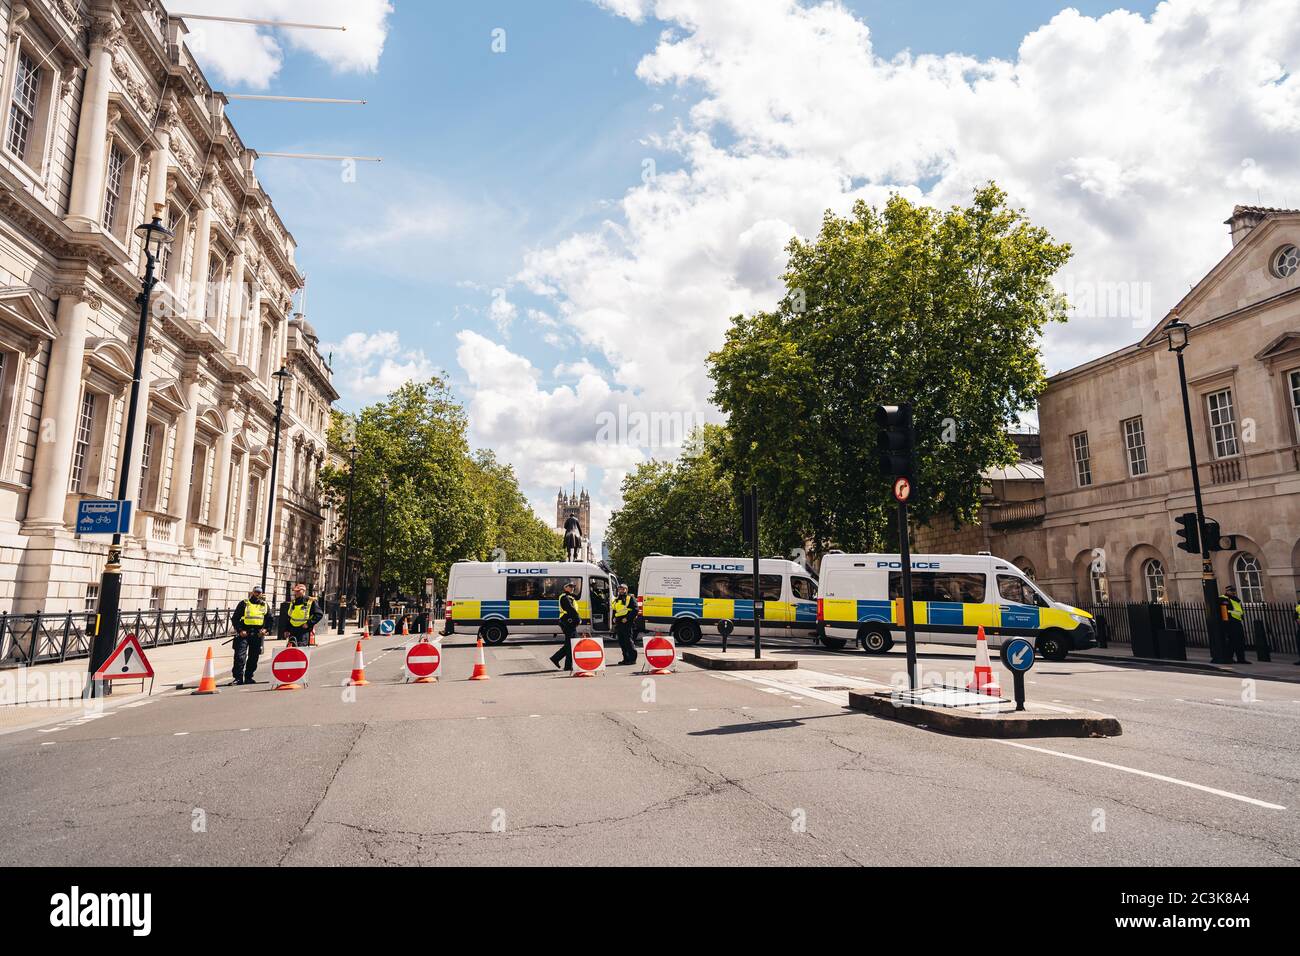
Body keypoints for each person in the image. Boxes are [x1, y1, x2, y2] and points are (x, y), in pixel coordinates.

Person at [230, 586, 270, 685]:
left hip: (257, 635)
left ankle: (248, 677)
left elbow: (270, 619)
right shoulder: (244, 603)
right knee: (239, 656)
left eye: (259, 592)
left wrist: (265, 629)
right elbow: (235, 618)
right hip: (244, 634)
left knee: (253, 657)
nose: (258, 594)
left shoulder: (264, 605)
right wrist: (240, 630)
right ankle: (238, 678)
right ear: (252, 592)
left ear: (262, 594)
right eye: (256, 592)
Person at [280, 582, 323, 647]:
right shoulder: (293, 602)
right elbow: (289, 617)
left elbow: (319, 614)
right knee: (292, 651)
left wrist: (308, 623)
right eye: (295, 591)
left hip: (303, 631)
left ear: (303, 591)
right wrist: (287, 630)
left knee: (301, 650)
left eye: (298, 591)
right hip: (293, 630)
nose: (296, 593)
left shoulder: (310, 601)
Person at [549, 581, 580, 671]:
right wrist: (578, 619)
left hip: (568, 621)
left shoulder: (569, 597)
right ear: (565, 587)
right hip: (567, 621)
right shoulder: (565, 597)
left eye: (573, 587)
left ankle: (556, 658)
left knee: (570, 643)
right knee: (572, 643)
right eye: (570, 586)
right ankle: (567, 665)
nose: (572, 588)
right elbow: (570, 609)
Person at [1220, 585, 1247, 664]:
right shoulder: (1223, 599)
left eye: (1233, 591)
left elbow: (1238, 610)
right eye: (1231, 591)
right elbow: (1224, 612)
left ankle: (1241, 659)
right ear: (1227, 591)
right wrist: (1226, 622)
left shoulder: (1236, 599)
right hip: (1230, 623)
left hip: (1237, 622)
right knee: (1231, 642)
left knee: (1240, 641)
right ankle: (1229, 658)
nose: (1233, 592)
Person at [611, 584, 636, 665]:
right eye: (620, 589)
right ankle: (625, 659)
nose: (621, 591)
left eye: (623, 589)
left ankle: (632, 659)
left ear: (626, 589)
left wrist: (627, 618)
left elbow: (635, 610)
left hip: (627, 622)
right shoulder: (616, 599)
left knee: (628, 641)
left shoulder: (630, 597)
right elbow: (615, 610)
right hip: (619, 622)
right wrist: (613, 618)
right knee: (622, 641)